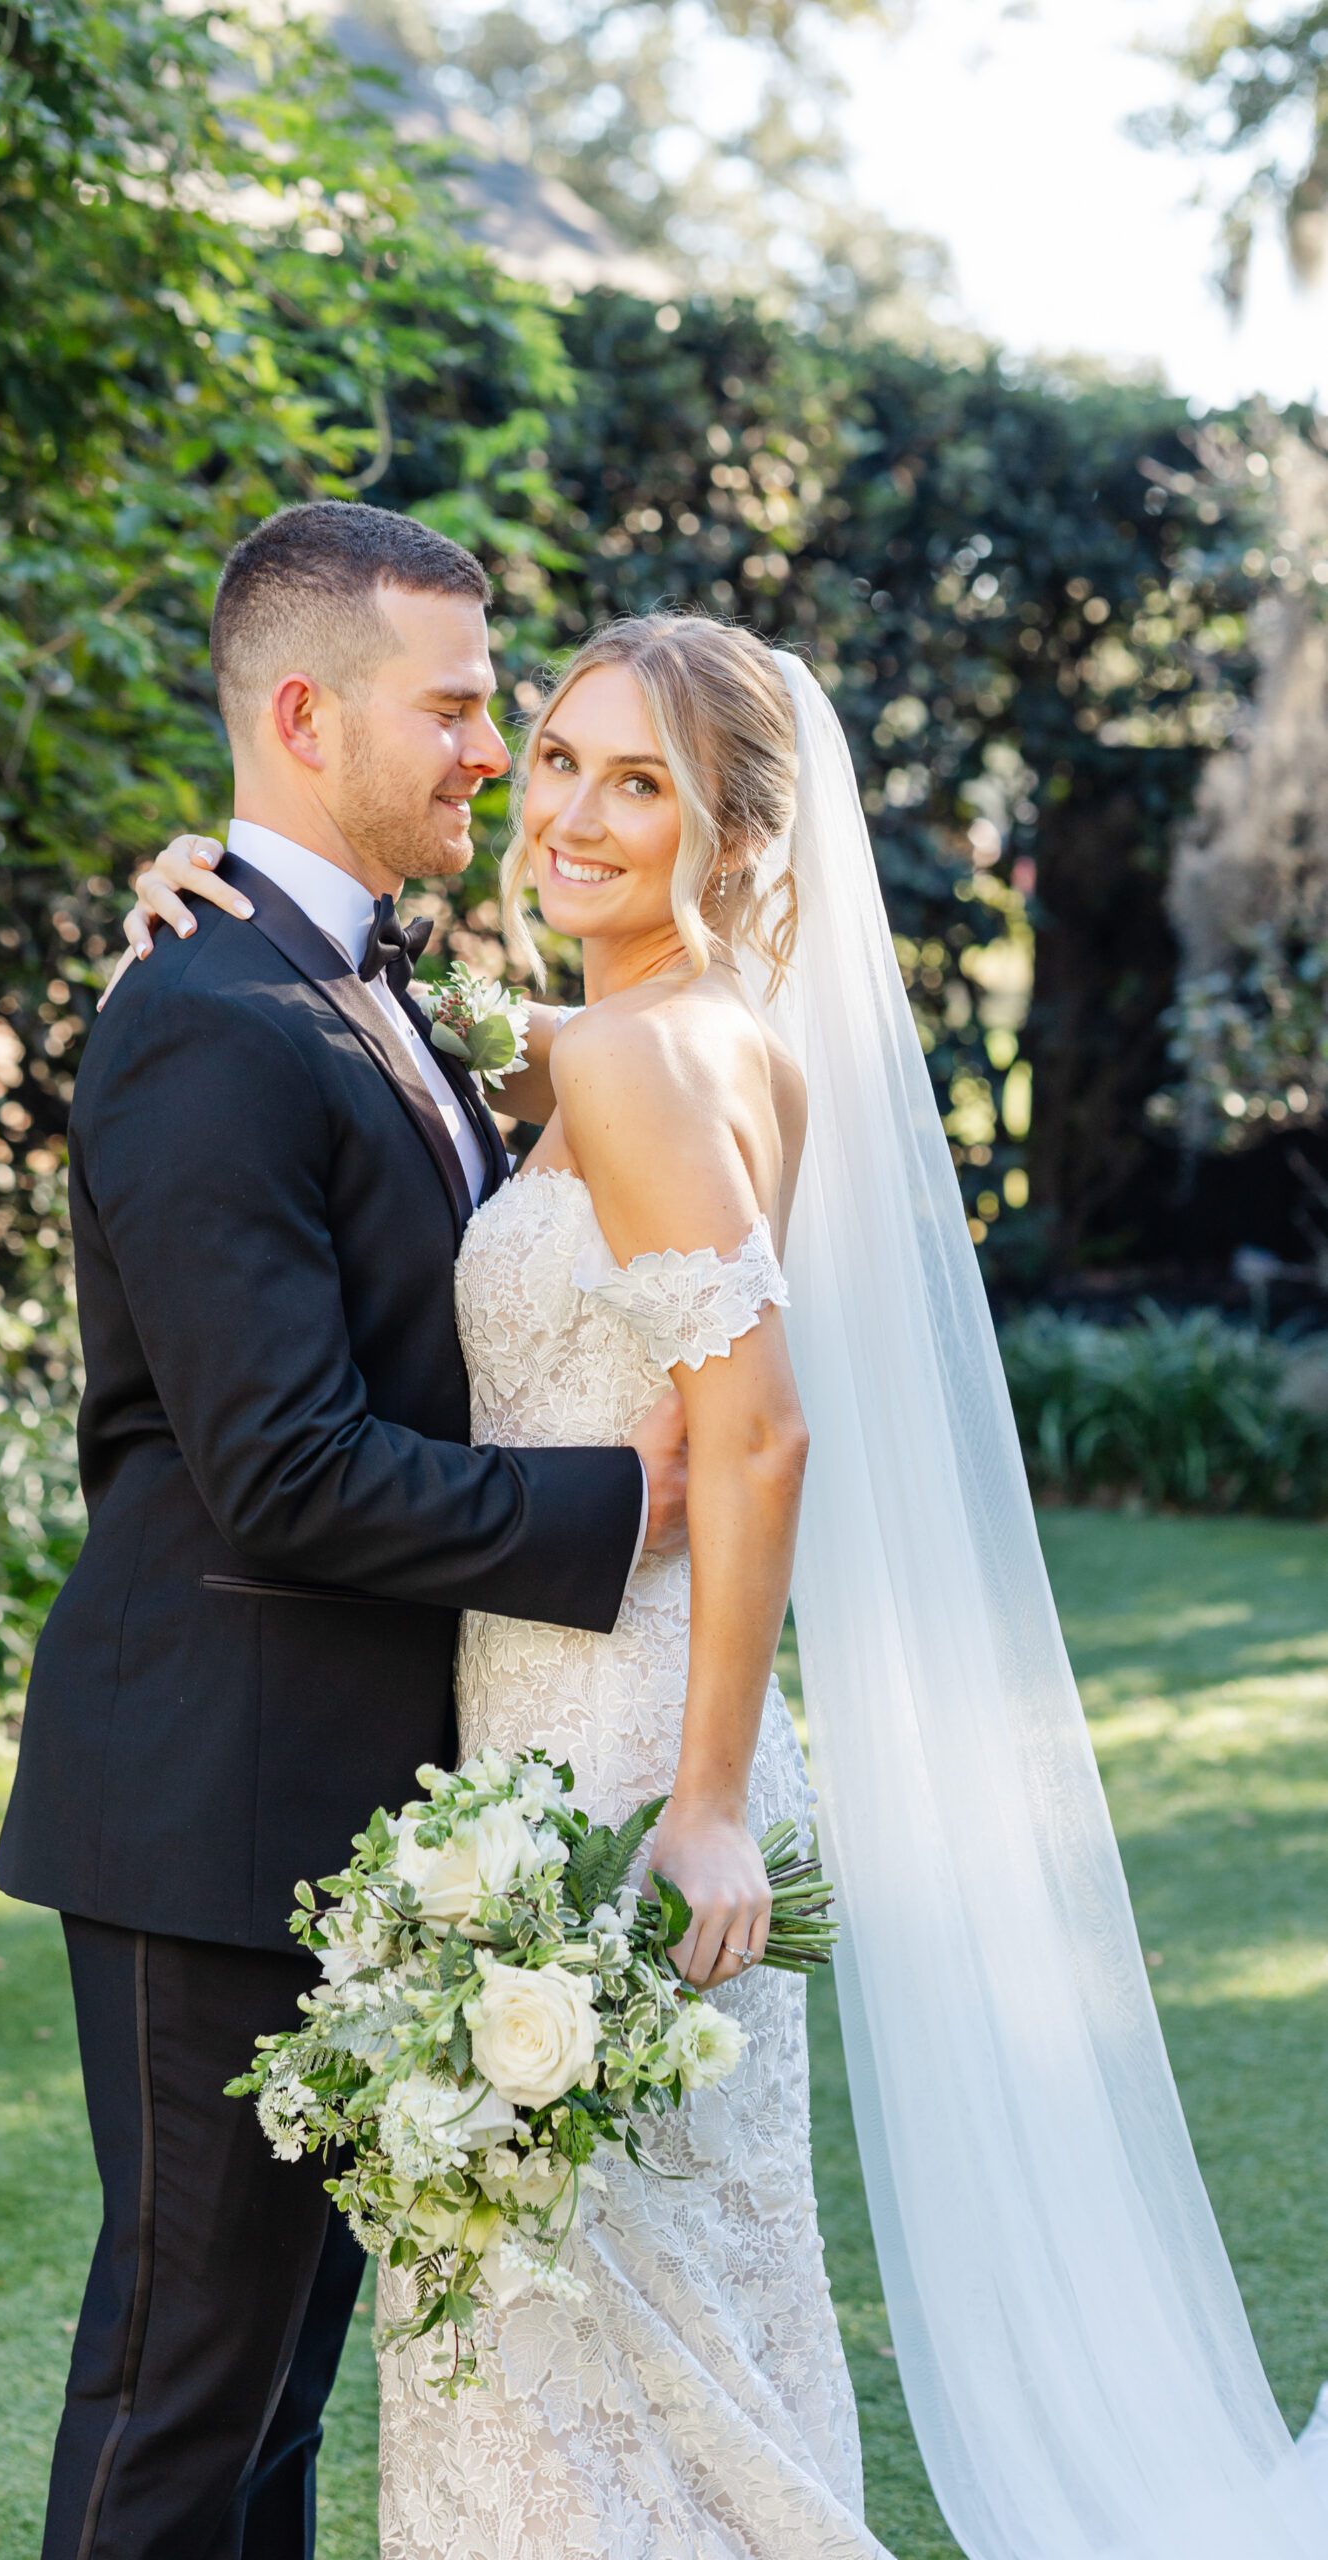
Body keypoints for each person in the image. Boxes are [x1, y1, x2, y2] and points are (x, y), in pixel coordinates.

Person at [127, 606, 1328, 2560]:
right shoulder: (667, 1041)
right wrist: (208, 890)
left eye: (642, 783)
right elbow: (399, 1041)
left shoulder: (638, 1058)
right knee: (648, 2332)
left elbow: (755, 1435)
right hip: (568, 1723)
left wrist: (694, 1802)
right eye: (559, 759)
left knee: (574, 2331)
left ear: (736, 837)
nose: (575, 812)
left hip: (616, 1765)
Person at [0, 502, 692, 2560]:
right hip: (207, 1794)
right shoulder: (205, 1012)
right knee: (184, 2380)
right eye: (461, 709)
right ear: (306, 714)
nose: (495, 752)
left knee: (281, 2388)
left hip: (345, 1787)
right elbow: (280, 1460)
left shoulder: (354, 979)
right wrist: (630, 1505)